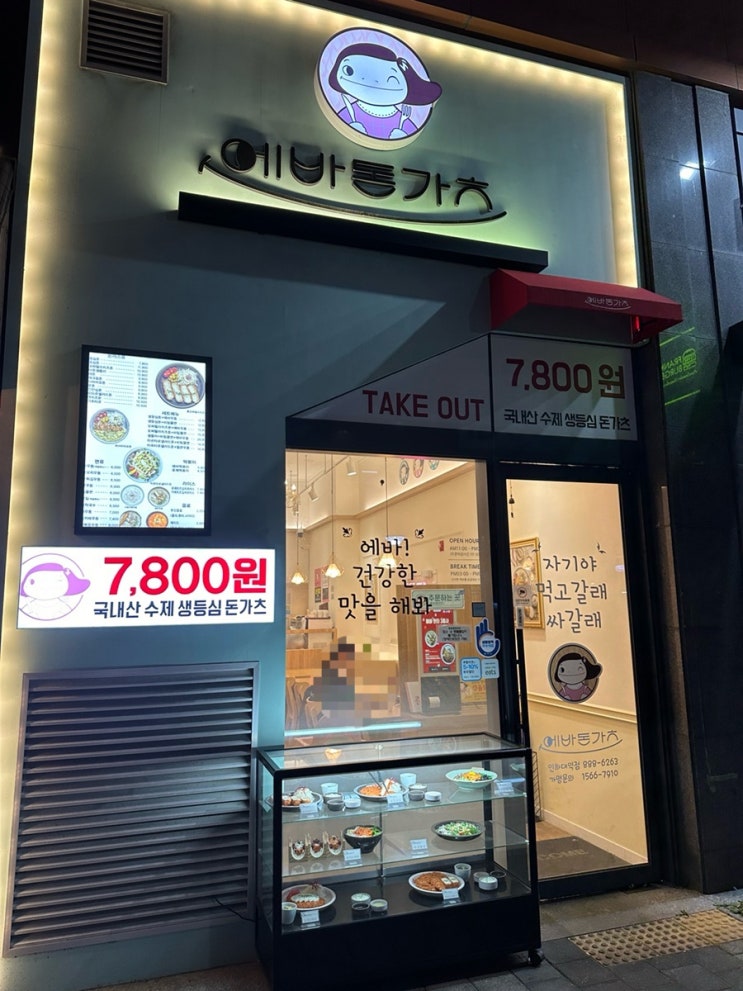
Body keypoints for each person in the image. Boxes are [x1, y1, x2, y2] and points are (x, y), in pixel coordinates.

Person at [328, 42, 442, 141]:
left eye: (392, 79)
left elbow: (410, 131)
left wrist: (401, 134)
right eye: (349, 70)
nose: (372, 81)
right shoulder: (348, 112)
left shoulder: (402, 118)